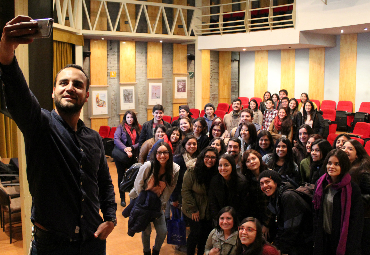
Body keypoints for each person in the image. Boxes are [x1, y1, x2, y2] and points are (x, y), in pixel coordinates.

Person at [0, 16, 116, 254]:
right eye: (63, 83)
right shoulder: (40, 125)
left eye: (77, 84)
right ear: (53, 92)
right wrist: (7, 53)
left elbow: (103, 183)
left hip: (92, 241)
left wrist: (111, 218)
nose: (70, 87)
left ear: (86, 96)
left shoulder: (94, 138)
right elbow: (19, 96)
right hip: (52, 246)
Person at [129, 142, 180, 255]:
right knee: (146, 231)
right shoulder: (148, 166)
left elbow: (170, 189)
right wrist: (143, 203)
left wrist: (162, 204)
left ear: (169, 154)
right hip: (142, 202)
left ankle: (156, 251)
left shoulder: (174, 169)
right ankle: (146, 251)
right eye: (159, 153)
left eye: (165, 152)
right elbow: (138, 185)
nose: (162, 155)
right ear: (155, 154)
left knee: (162, 231)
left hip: (157, 203)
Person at [313, 149, 364, 255]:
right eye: (329, 163)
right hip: (324, 236)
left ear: (344, 166)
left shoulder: (353, 189)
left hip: (342, 239)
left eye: (337, 164)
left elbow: (356, 221)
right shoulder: (321, 184)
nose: (331, 167)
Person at [259, 170, 313, 255]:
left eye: (267, 182)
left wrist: (281, 249)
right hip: (296, 241)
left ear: (276, 182)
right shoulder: (275, 198)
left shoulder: (287, 196)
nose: (264, 186)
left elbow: (291, 229)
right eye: (261, 183)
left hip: (303, 242)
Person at [182, 147, 220, 255]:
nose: (209, 159)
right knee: (195, 235)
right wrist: (194, 209)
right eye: (207, 156)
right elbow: (185, 191)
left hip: (209, 211)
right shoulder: (192, 171)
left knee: (205, 236)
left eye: (213, 157)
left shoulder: (217, 172)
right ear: (202, 157)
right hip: (194, 210)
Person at [342, 139, 370, 255]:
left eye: (350, 148)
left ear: (357, 154)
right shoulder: (345, 168)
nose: (345, 150)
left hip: (364, 217)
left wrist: (355, 199)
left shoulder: (363, 172)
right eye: (344, 147)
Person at [112, 110, 141, 207]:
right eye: (128, 117)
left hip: (133, 155)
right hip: (121, 155)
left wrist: (132, 148)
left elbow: (140, 141)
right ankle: (122, 198)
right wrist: (125, 149)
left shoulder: (137, 127)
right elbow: (116, 139)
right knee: (121, 176)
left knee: (134, 176)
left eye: (131, 117)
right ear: (125, 118)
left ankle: (133, 197)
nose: (130, 119)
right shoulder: (121, 127)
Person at [208, 154, 248, 222]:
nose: (223, 168)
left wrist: (234, 221)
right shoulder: (214, 181)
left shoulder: (242, 181)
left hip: (237, 220)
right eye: (220, 165)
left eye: (226, 165)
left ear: (232, 166)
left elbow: (244, 206)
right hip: (220, 220)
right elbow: (213, 204)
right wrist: (219, 220)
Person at [241, 150, 271, 234]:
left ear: (259, 159)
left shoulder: (269, 175)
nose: (251, 162)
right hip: (255, 220)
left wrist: (266, 224)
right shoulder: (247, 180)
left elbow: (272, 202)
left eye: (254, 158)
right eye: (248, 161)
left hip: (269, 219)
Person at [171, 135, 199, 208]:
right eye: (189, 144)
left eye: (194, 144)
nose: (192, 146)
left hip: (195, 194)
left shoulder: (199, 159)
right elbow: (173, 181)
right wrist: (174, 199)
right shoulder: (177, 159)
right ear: (184, 145)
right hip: (180, 194)